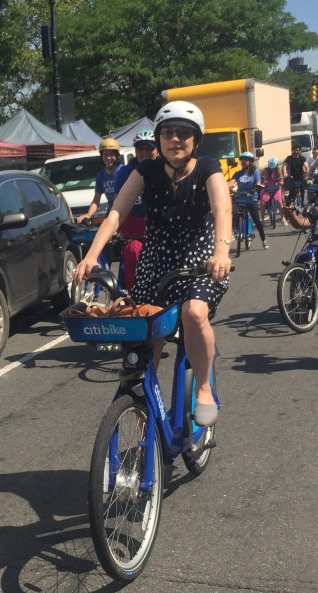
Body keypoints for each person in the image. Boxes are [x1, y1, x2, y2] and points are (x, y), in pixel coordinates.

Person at [73, 100, 232, 427]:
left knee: (194, 313)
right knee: (145, 328)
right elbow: (117, 213)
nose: (176, 139)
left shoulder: (207, 167)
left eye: (184, 133)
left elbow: (222, 210)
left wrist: (222, 251)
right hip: (155, 260)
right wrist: (91, 255)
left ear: (196, 141)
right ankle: (143, 396)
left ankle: (203, 388)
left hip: (199, 259)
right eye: (169, 132)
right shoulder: (144, 171)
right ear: (159, 139)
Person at [112, 129, 158, 291]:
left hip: (159, 224)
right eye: (140, 149)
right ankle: (135, 295)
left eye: (149, 149)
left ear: (157, 150)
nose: (144, 153)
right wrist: (113, 228)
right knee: (132, 253)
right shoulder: (125, 172)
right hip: (132, 225)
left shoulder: (165, 169)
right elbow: (118, 202)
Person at [77, 137, 124, 223]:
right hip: (111, 213)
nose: (109, 158)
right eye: (105, 154)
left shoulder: (123, 171)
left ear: (117, 156)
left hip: (125, 212)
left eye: (112, 154)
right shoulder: (101, 175)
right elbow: (96, 200)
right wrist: (88, 215)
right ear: (102, 156)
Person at [228, 151, 268, 249]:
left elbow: (258, 181)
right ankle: (237, 230)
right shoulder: (238, 173)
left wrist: (258, 186)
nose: (243, 162)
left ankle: (264, 240)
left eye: (245, 160)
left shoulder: (255, 172)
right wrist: (227, 187)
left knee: (257, 221)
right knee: (234, 215)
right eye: (242, 160)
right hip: (240, 198)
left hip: (251, 198)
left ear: (250, 161)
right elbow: (230, 183)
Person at [259, 157, 284, 225]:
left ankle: (283, 218)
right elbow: (260, 177)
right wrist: (262, 181)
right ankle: (262, 219)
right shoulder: (265, 170)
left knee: (279, 202)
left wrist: (280, 182)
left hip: (276, 187)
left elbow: (281, 181)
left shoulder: (278, 170)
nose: (272, 169)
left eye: (273, 167)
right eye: (271, 167)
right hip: (267, 187)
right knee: (262, 203)